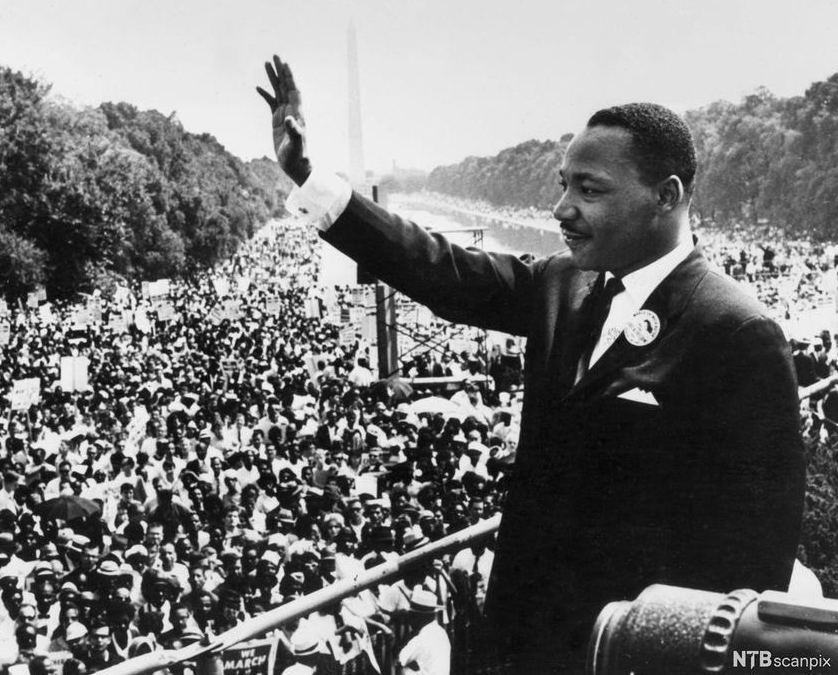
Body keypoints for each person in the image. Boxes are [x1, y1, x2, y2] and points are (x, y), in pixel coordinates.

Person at [257, 55, 805, 673]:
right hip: (522, 635)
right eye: (562, 184)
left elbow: (754, 564)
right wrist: (307, 175)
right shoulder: (562, 283)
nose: (561, 208)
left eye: (589, 189)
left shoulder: (736, 331)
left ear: (666, 196)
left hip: (626, 649)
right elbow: (437, 269)